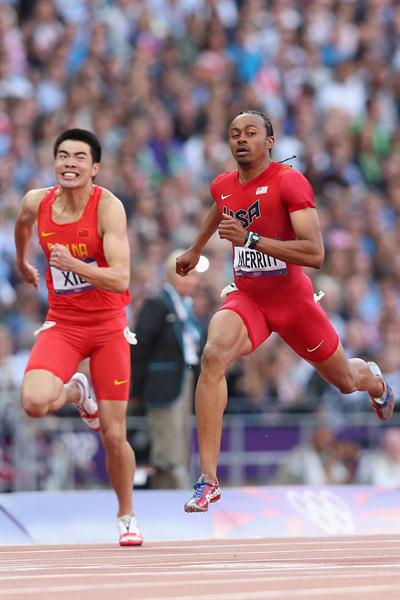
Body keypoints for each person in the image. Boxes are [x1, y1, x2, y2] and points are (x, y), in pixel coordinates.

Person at [176, 109, 396, 513]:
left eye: (251, 133)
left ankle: (376, 382)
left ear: (270, 142)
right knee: (213, 356)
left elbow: (315, 253)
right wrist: (194, 248)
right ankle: (208, 479)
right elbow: (220, 205)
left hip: (294, 303)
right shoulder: (223, 184)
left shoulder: (289, 182)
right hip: (249, 298)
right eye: (234, 133)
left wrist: (252, 239)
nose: (241, 139)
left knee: (346, 380)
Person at [14, 128, 143, 546]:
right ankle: (76, 391)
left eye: (79, 157)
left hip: (107, 327)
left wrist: (75, 263)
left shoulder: (109, 208)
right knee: (33, 402)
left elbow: (121, 277)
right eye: (63, 156)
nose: (70, 163)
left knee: (112, 433)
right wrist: (21, 261)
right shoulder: (38, 201)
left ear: (95, 168)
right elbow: (22, 223)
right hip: (64, 324)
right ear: (55, 164)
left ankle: (126, 515)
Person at [131, 250, 205, 489]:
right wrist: (136, 388)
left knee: (178, 449)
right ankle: (176, 497)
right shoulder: (158, 304)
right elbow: (140, 347)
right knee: (168, 453)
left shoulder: (184, 307)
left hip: (182, 382)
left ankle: (169, 497)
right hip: (163, 388)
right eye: (189, 275)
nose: (193, 281)